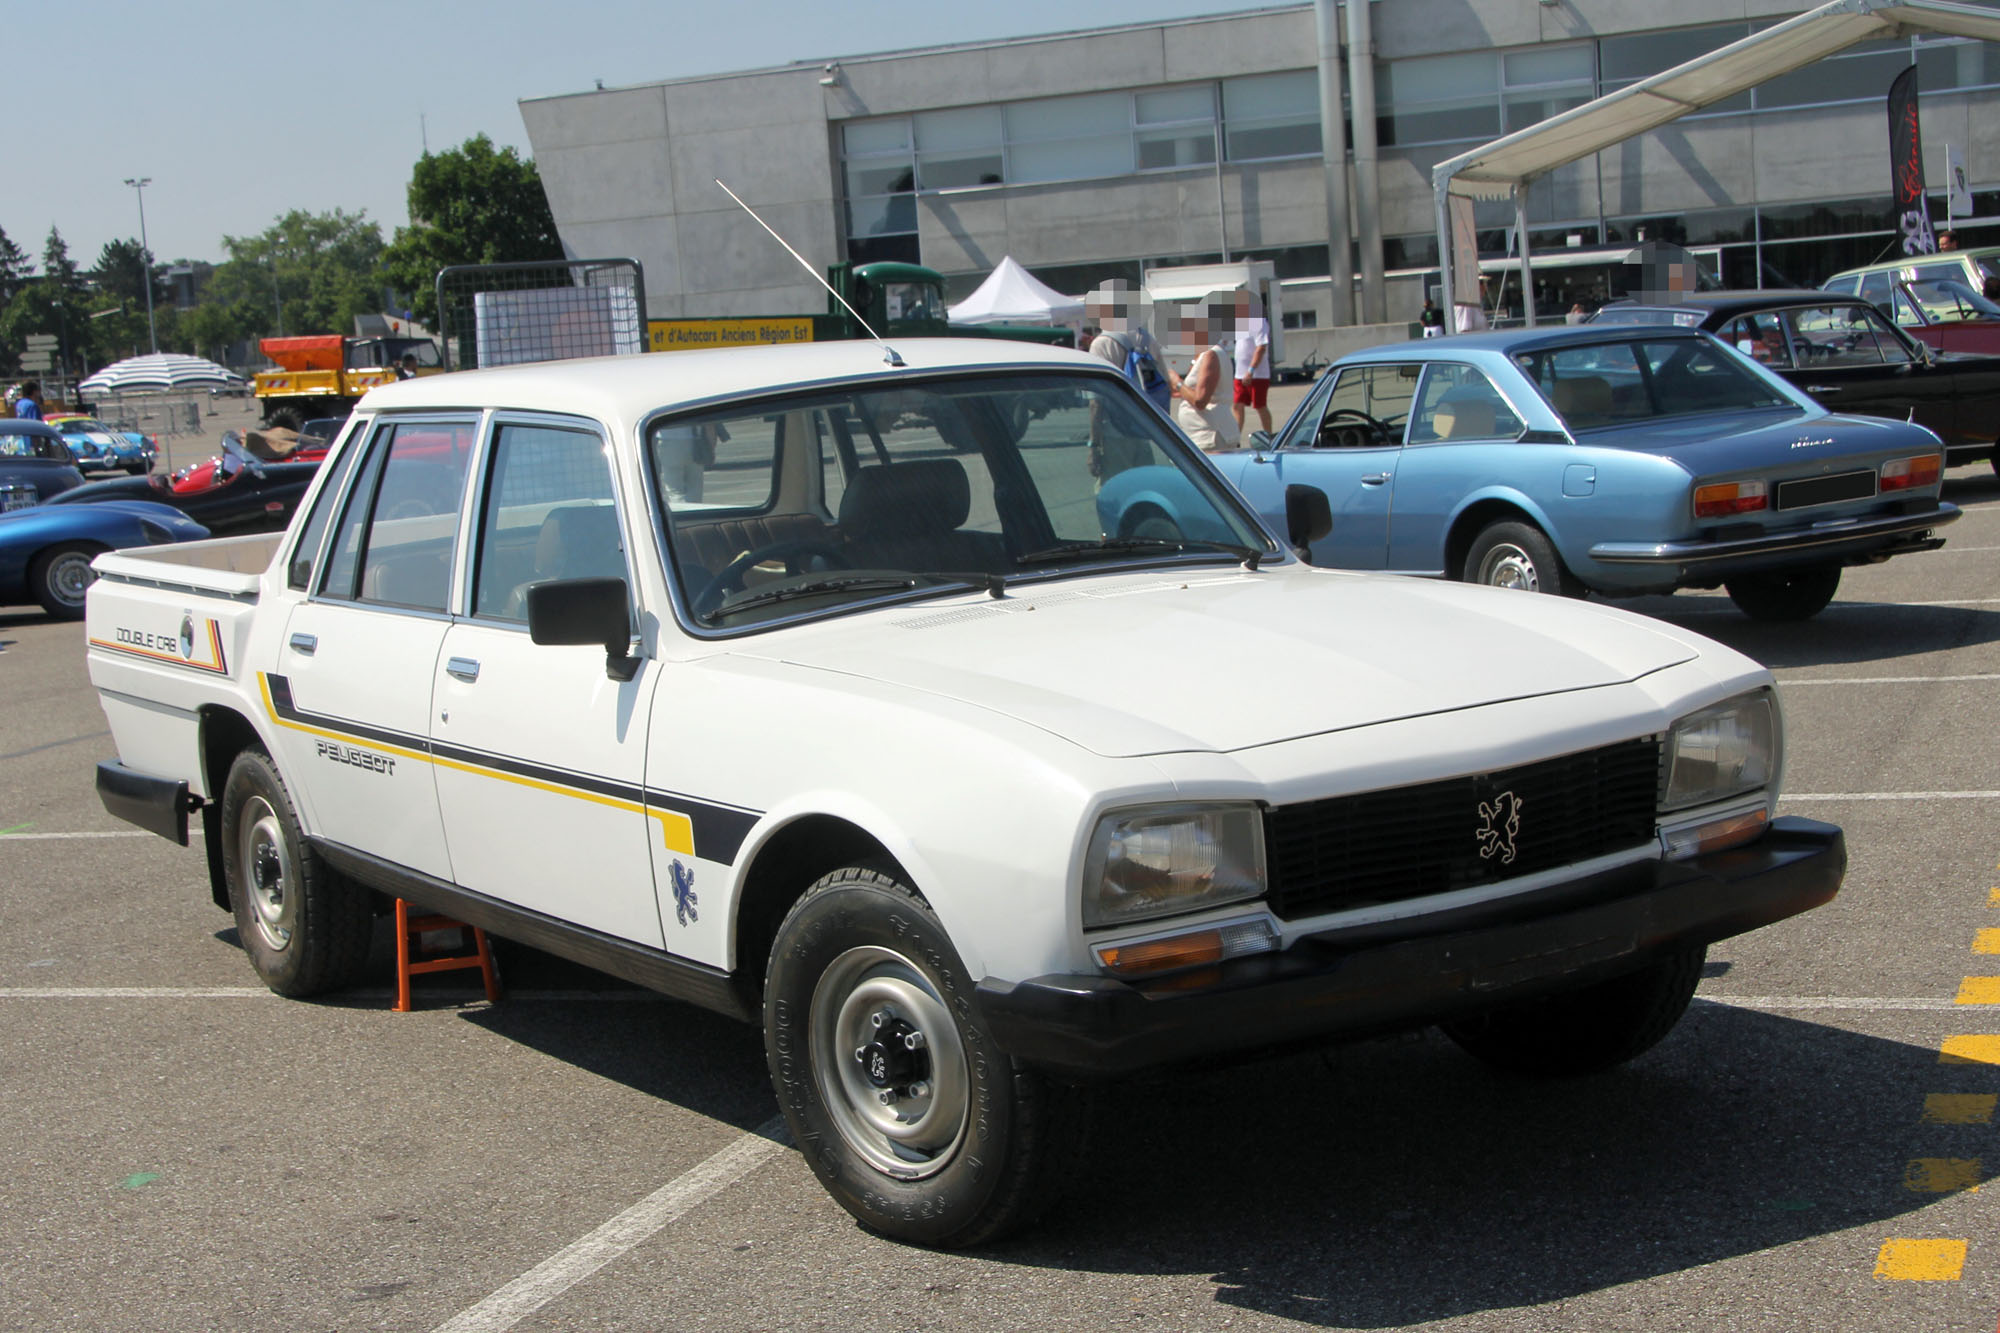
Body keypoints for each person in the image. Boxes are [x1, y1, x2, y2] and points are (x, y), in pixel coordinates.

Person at [1165, 298, 1239, 452]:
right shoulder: (1205, 354)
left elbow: (1200, 400)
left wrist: (1177, 381)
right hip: (1206, 435)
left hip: (1212, 437)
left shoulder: (1211, 354)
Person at [1230, 291, 1272, 435]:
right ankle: (1235, 438)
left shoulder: (1259, 322)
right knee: (1237, 405)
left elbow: (1261, 347)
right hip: (1239, 374)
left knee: (1260, 406)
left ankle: (1269, 437)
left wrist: (1251, 370)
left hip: (1257, 375)